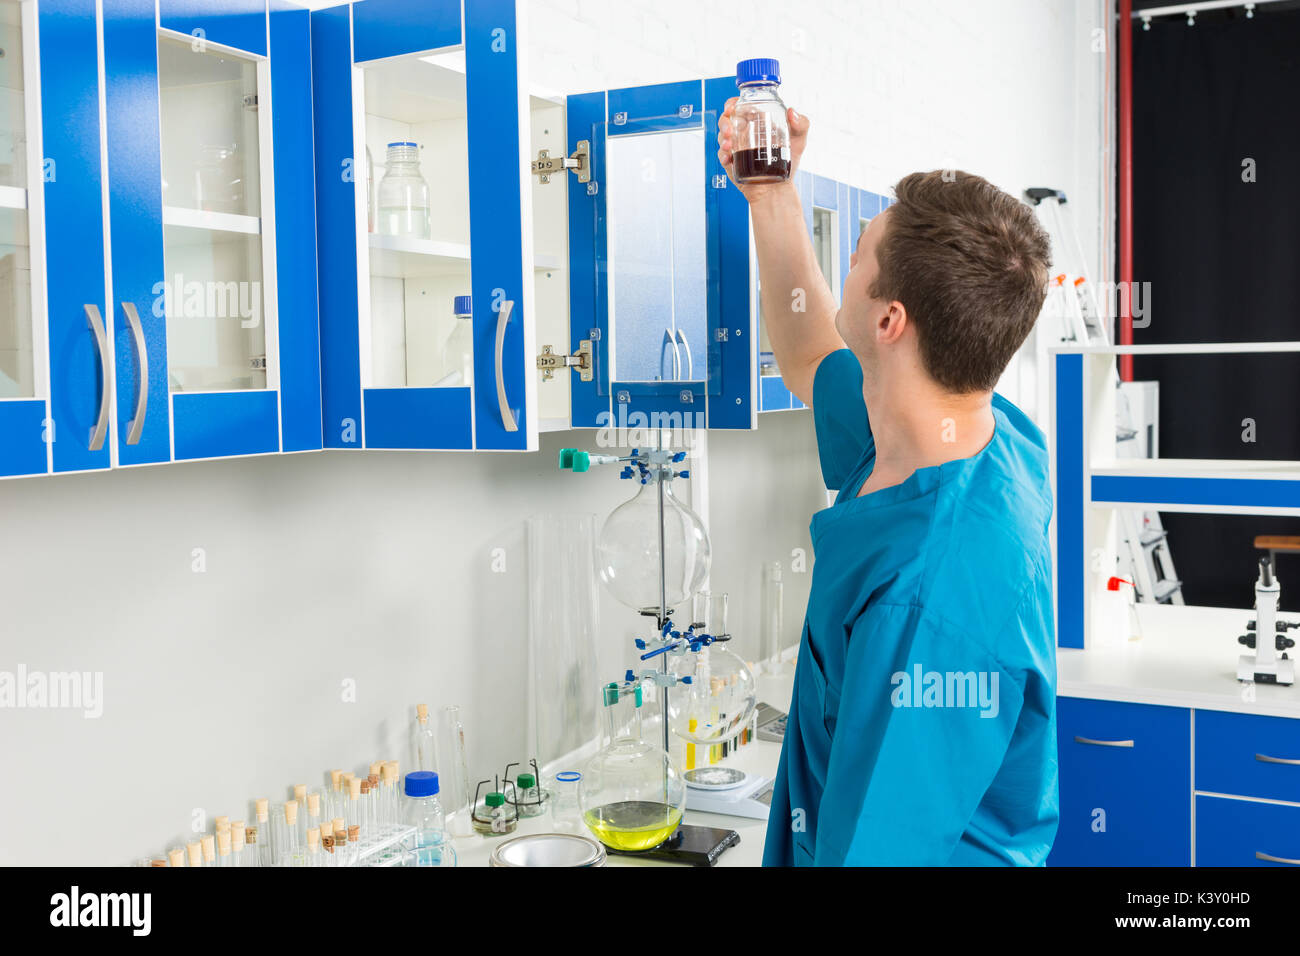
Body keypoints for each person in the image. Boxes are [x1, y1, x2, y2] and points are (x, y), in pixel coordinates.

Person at [717, 102, 1058, 865]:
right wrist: (771, 195)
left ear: (890, 321)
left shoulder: (928, 605)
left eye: (858, 255)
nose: (846, 265)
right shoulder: (970, 426)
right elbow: (810, 355)